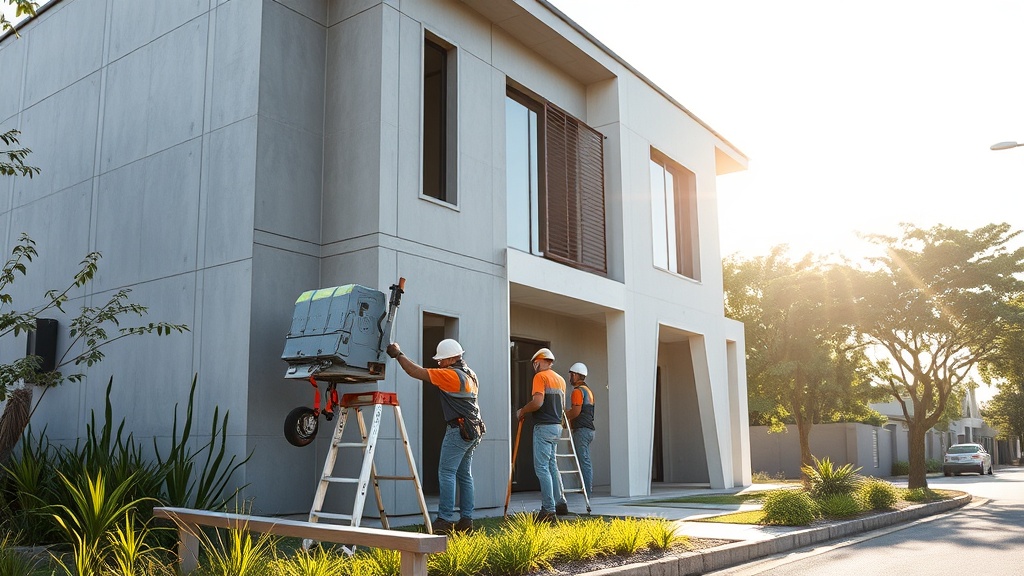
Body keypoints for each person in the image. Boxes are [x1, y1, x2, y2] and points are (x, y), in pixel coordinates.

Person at [387, 338, 485, 533]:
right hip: (474, 429)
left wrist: (398, 354)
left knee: (447, 472)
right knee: (465, 475)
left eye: (441, 360)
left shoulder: (450, 375)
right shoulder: (471, 374)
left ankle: (445, 520)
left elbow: (414, 371)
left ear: (450, 359)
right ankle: (466, 521)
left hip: (459, 430)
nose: (438, 363)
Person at [516, 347, 568, 521]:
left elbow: (537, 402)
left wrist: (523, 410)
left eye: (534, 364)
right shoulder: (560, 379)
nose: (534, 368)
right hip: (556, 427)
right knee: (552, 465)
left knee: (542, 468)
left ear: (537, 362)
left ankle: (548, 510)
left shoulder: (540, 377)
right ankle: (560, 501)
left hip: (544, 426)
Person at [565, 362, 595, 497]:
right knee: (584, 460)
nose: (570, 377)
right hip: (588, 430)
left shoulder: (577, 391)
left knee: (583, 461)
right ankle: (584, 488)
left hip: (582, 430)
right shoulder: (588, 390)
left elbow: (576, 412)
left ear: (577, 375)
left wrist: (563, 417)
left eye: (571, 374)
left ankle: (587, 492)